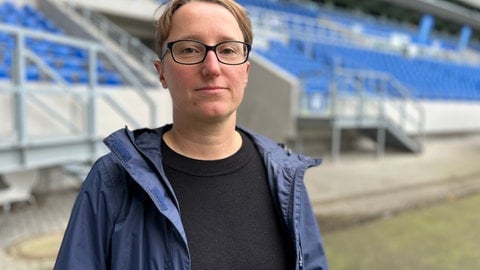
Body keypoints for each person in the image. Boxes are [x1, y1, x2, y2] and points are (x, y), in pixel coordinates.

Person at [54, 0, 328, 269]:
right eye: (188, 50)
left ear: (245, 72)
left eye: (229, 50)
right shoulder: (113, 180)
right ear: (161, 73)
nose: (212, 67)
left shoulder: (285, 179)